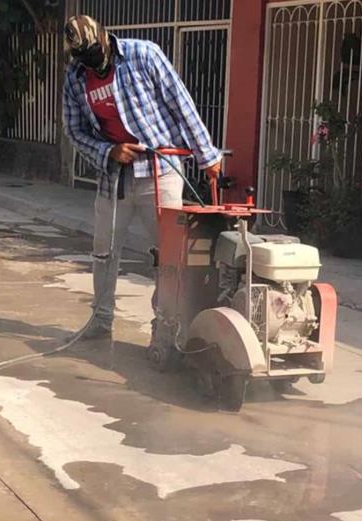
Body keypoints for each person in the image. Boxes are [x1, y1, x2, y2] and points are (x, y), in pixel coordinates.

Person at [62, 14, 222, 341]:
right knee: (103, 252)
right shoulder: (75, 77)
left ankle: (167, 327)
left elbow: (182, 105)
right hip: (114, 178)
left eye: (98, 58)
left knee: (169, 255)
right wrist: (109, 152)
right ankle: (101, 320)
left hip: (159, 172)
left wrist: (207, 155)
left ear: (106, 40)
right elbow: (74, 130)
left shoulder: (144, 55)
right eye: (88, 63)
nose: (96, 67)